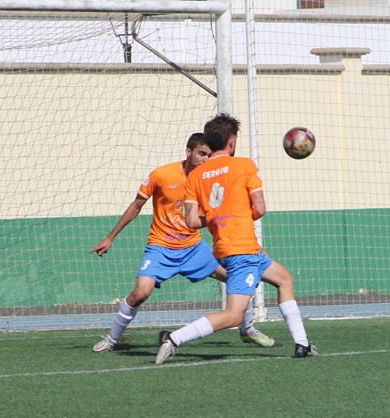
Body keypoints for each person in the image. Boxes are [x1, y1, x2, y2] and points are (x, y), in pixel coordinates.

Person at [89, 132, 274, 353]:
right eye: (201, 154)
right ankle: (111, 339)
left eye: (209, 154)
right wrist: (110, 237)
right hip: (161, 248)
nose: (205, 159)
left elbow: (224, 215)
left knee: (238, 276)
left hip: (194, 248)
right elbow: (136, 205)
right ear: (189, 152)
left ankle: (247, 329)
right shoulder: (162, 175)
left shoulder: (209, 179)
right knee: (140, 293)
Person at [156, 113, 318, 363]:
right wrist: (239, 214)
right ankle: (174, 338)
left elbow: (191, 222)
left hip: (229, 248)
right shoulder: (245, 165)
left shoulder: (195, 176)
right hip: (242, 250)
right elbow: (259, 209)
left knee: (284, 279)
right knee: (233, 315)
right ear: (231, 142)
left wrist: (217, 216)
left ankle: (302, 343)